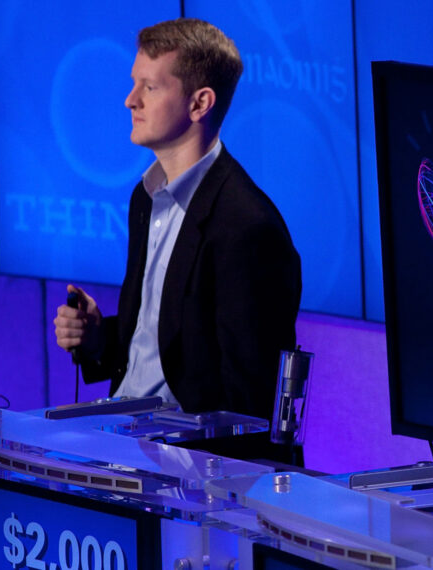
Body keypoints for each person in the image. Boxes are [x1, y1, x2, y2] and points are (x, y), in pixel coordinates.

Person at [53, 18, 301, 420]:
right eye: (135, 84)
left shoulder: (249, 228)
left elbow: (248, 403)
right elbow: (166, 341)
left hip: (188, 464)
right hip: (124, 435)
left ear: (199, 103)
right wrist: (99, 339)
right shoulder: (144, 198)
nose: (130, 100)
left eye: (149, 87)